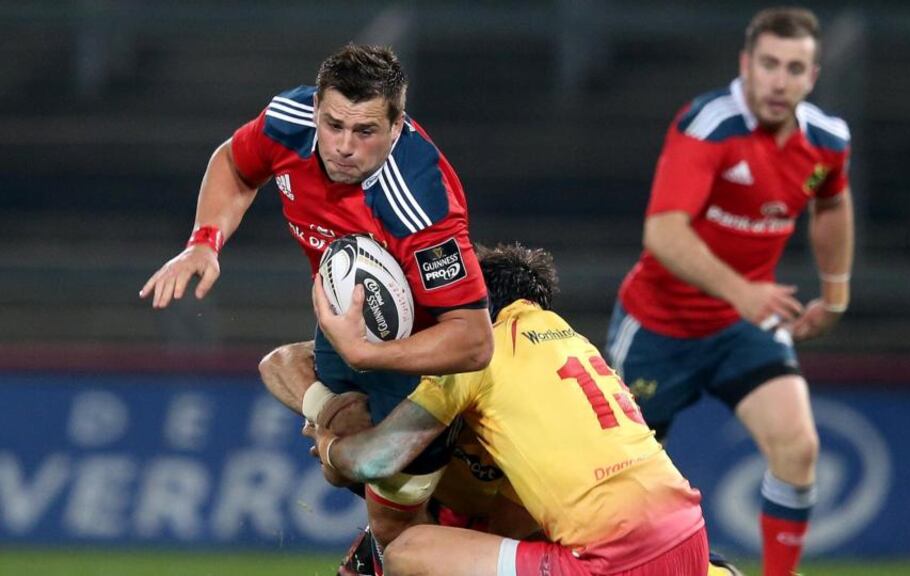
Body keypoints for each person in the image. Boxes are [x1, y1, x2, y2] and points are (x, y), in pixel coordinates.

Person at [138, 43, 494, 548]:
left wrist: (369, 353)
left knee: (402, 529)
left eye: (365, 131)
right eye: (334, 125)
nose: (344, 145)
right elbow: (235, 164)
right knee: (317, 419)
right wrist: (205, 241)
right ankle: (355, 448)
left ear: (395, 128)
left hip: (416, 357)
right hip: (346, 325)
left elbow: (474, 341)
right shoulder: (288, 121)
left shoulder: (420, 203)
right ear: (316, 110)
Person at [606, 8, 854, 576]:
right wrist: (741, 290)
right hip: (659, 327)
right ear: (745, 65)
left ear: (813, 76)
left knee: (799, 448)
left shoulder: (827, 142)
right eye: (768, 64)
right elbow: (663, 232)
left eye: (794, 68)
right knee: (617, 479)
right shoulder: (709, 124)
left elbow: (833, 201)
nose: (779, 80)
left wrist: (835, 294)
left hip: (743, 326)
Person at [310, 244, 710, 576]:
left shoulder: (476, 355)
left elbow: (376, 460)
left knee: (407, 551)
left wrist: (329, 443)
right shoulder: (576, 344)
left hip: (614, 560)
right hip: (691, 536)